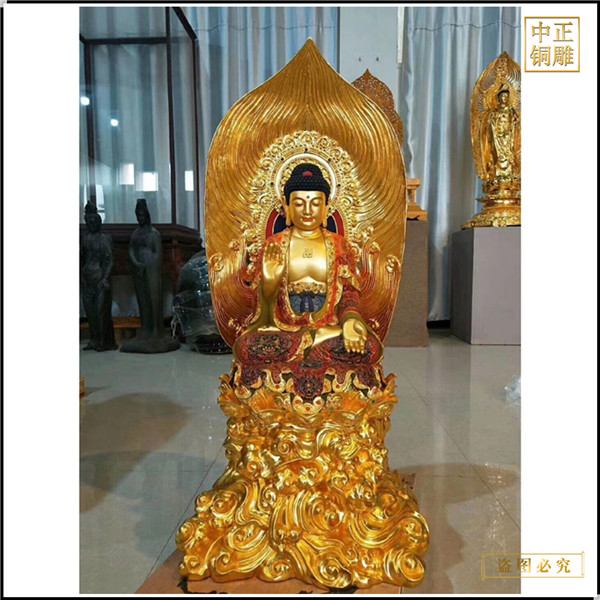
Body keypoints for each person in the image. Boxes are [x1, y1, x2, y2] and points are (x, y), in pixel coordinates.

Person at [233, 163, 383, 402]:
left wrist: (350, 321)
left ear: (326, 209)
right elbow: (261, 314)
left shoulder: (340, 245)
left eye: (315, 203)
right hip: (285, 328)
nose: (307, 210)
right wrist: (269, 284)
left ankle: (319, 338)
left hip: (330, 325)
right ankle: (315, 339)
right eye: (299, 203)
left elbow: (349, 293)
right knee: (246, 346)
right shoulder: (274, 245)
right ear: (287, 208)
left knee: (369, 348)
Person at [121, 199, 180, 353]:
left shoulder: (154, 234)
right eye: (138, 215)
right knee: (143, 299)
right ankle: (145, 329)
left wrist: (148, 266)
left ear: (147, 215)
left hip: (151, 268)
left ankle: (156, 330)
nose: (140, 218)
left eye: (142, 215)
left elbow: (157, 253)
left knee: (153, 298)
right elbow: (131, 250)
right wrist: (137, 263)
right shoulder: (136, 234)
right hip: (139, 270)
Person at [80, 202, 117, 351]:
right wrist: (81, 277)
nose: (92, 224)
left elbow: (110, 260)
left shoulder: (104, 239)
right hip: (87, 279)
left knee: (101, 312)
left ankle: (103, 341)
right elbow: (82, 259)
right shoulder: (85, 239)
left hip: (100, 278)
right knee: (90, 313)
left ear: (99, 222)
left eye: (94, 221)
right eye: (89, 222)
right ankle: (93, 339)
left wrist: (105, 278)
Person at [484, 86, 520, 182]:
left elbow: (515, 123)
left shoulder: (511, 111)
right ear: (498, 98)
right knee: (497, 154)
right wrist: (497, 132)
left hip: (508, 137)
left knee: (509, 154)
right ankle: (497, 174)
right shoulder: (495, 112)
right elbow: (491, 125)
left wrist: (514, 124)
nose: (505, 98)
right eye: (503, 96)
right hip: (498, 137)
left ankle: (509, 173)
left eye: (507, 96)